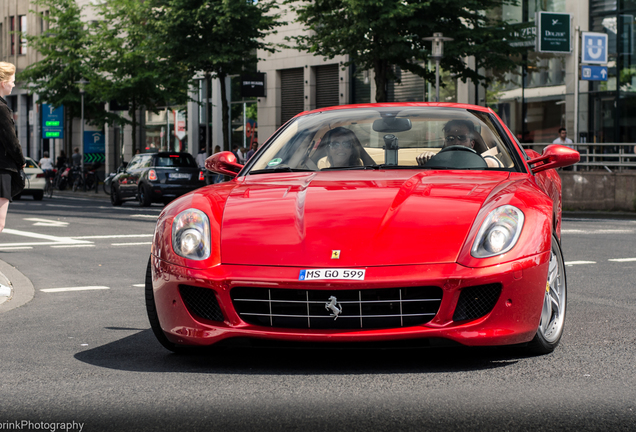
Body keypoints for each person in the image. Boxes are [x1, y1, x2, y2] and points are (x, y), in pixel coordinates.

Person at [0, 61, 26, 233]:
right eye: (12, 81)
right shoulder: (1, 109)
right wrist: (21, 161)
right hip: (1, 169)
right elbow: (11, 140)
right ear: (3, 83)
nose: (14, 84)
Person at [416, 119, 502, 168]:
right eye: (450, 138)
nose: (456, 142)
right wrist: (429, 159)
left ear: (472, 144)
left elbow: (492, 163)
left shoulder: (485, 159)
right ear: (445, 143)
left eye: (462, 138)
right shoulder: (436, 160)